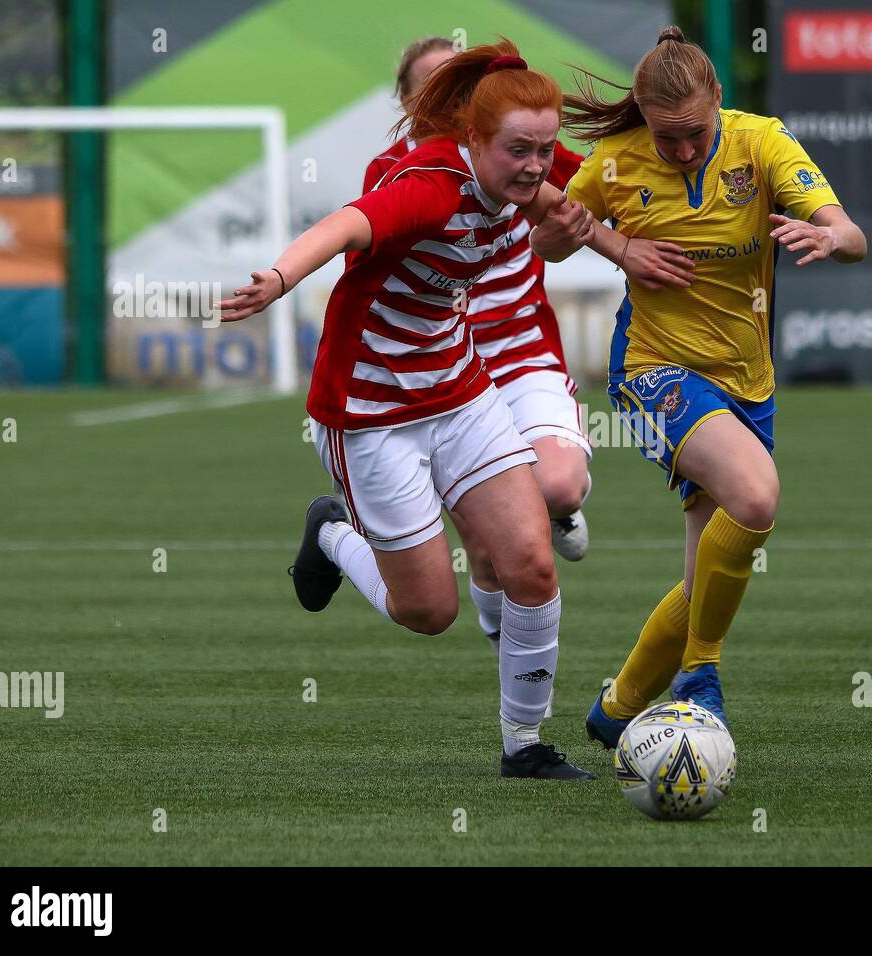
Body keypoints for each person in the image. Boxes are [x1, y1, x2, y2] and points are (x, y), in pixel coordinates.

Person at [216, 39, 594, 780]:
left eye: (545, 150)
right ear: (472, 139)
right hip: (369, 411)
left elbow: (565, 206)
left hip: (459, 390)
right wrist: (279, 278)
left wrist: (597, 237)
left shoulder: (524, 180)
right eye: (520, 150)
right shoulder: (432, 187)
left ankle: (525, 746)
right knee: (428, 611)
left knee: (531, 564)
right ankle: (329, 532)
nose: (536, 166)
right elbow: (349, 225)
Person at [527, 26, 867, 746]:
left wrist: (831, 238)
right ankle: (700, 678)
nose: (679, 150)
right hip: (654, 371)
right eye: (665, 137)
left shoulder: (761, 143)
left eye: (693, 134)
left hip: (748, 380)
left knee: (704, 580)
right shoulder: (616, 162)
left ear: (719, 99)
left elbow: (851, 233)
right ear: (644, 119)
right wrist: (616, 243)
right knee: (756, 494)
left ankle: (616, 707)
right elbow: (547, 239)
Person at [360, 38, 594, 717]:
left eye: (463, 89)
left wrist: (612, 241)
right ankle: (522, 707)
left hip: (518, 351)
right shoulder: (400, 174)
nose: (456, 103)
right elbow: (364, 247)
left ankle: (564, 506)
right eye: (435, 89)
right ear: (410, 103)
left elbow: (590, 195)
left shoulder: (518, 151)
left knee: (554, 484)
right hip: (447, 375)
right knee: (490, 559)